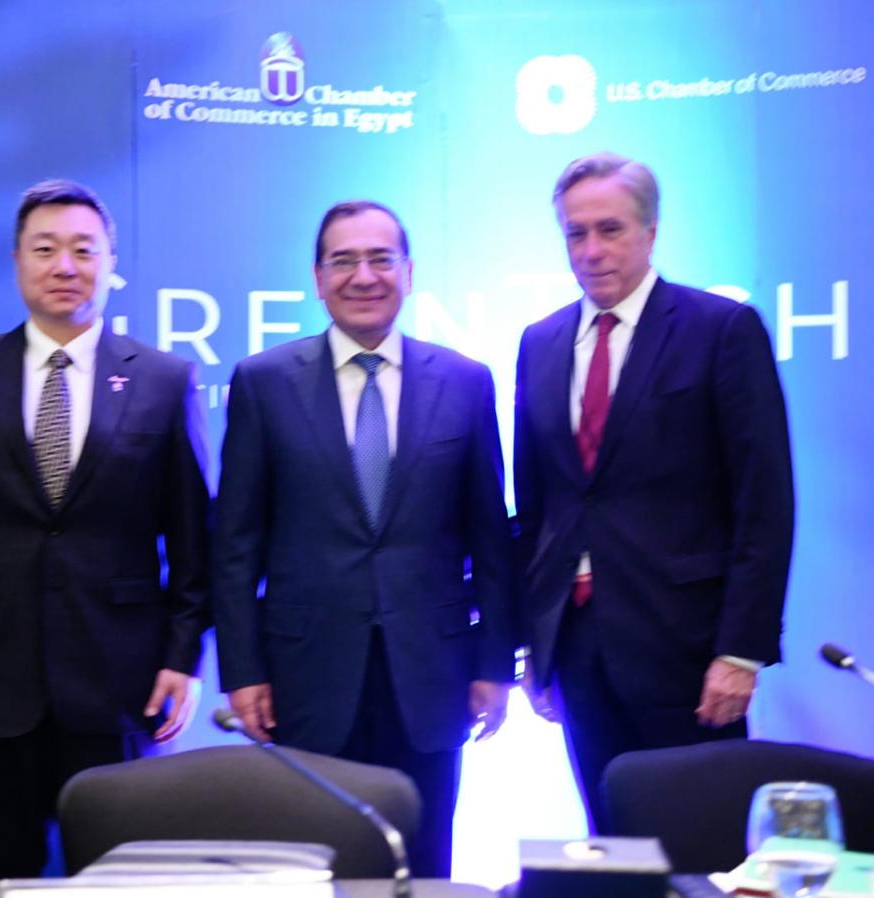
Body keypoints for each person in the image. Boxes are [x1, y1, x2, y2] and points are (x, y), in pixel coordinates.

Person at [0, 179, 211, 883]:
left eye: (83, 249)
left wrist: (182, 657)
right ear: (17, 262)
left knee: (124, 883)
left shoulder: (164, 380)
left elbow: (195, 542)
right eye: (45, 249)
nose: (64, 265)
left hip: (121, 684)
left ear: (110, 262)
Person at [211, 200, 515, 877]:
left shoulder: (465, 381)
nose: (364, 276)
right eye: (343, 261)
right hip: (305, 676)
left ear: (409, 272)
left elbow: (491, 539)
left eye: (381, 259)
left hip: (432, 674)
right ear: (318, 278)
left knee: (424, 864)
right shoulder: (264, 383)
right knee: (316, 868)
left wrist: (495, 665)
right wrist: (243, 670)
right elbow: (235, 544)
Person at [513, 152, 794, 830]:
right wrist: (534, 646)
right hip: (577, 650)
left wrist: (740, 652)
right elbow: (539, 507)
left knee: (700, 850)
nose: (592, 250)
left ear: (651, 231)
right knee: (610, 847)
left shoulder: (720, 330)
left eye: (610, 229)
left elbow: (764, 504)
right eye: (576, 233)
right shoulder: (540, 342)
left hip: (689, 654)